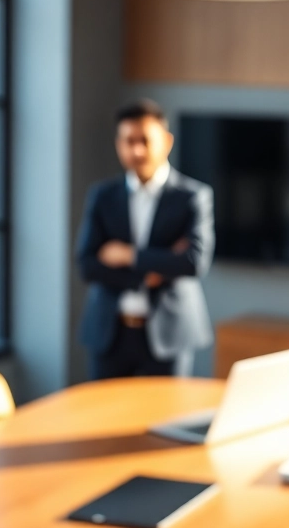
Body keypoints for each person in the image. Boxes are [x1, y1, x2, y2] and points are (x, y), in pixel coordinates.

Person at [76, 99, 214, 380]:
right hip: (110, 333)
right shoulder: (102, 196)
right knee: (103, 406)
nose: (136, 150)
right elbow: (87, 265)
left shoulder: (192, 197)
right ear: (119, 144)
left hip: (169, 334)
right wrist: (152, 271)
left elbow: (193, 262)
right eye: (129, 141)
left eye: (145, 141)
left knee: (167, 408)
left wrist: (127, 255)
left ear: (167, 142)